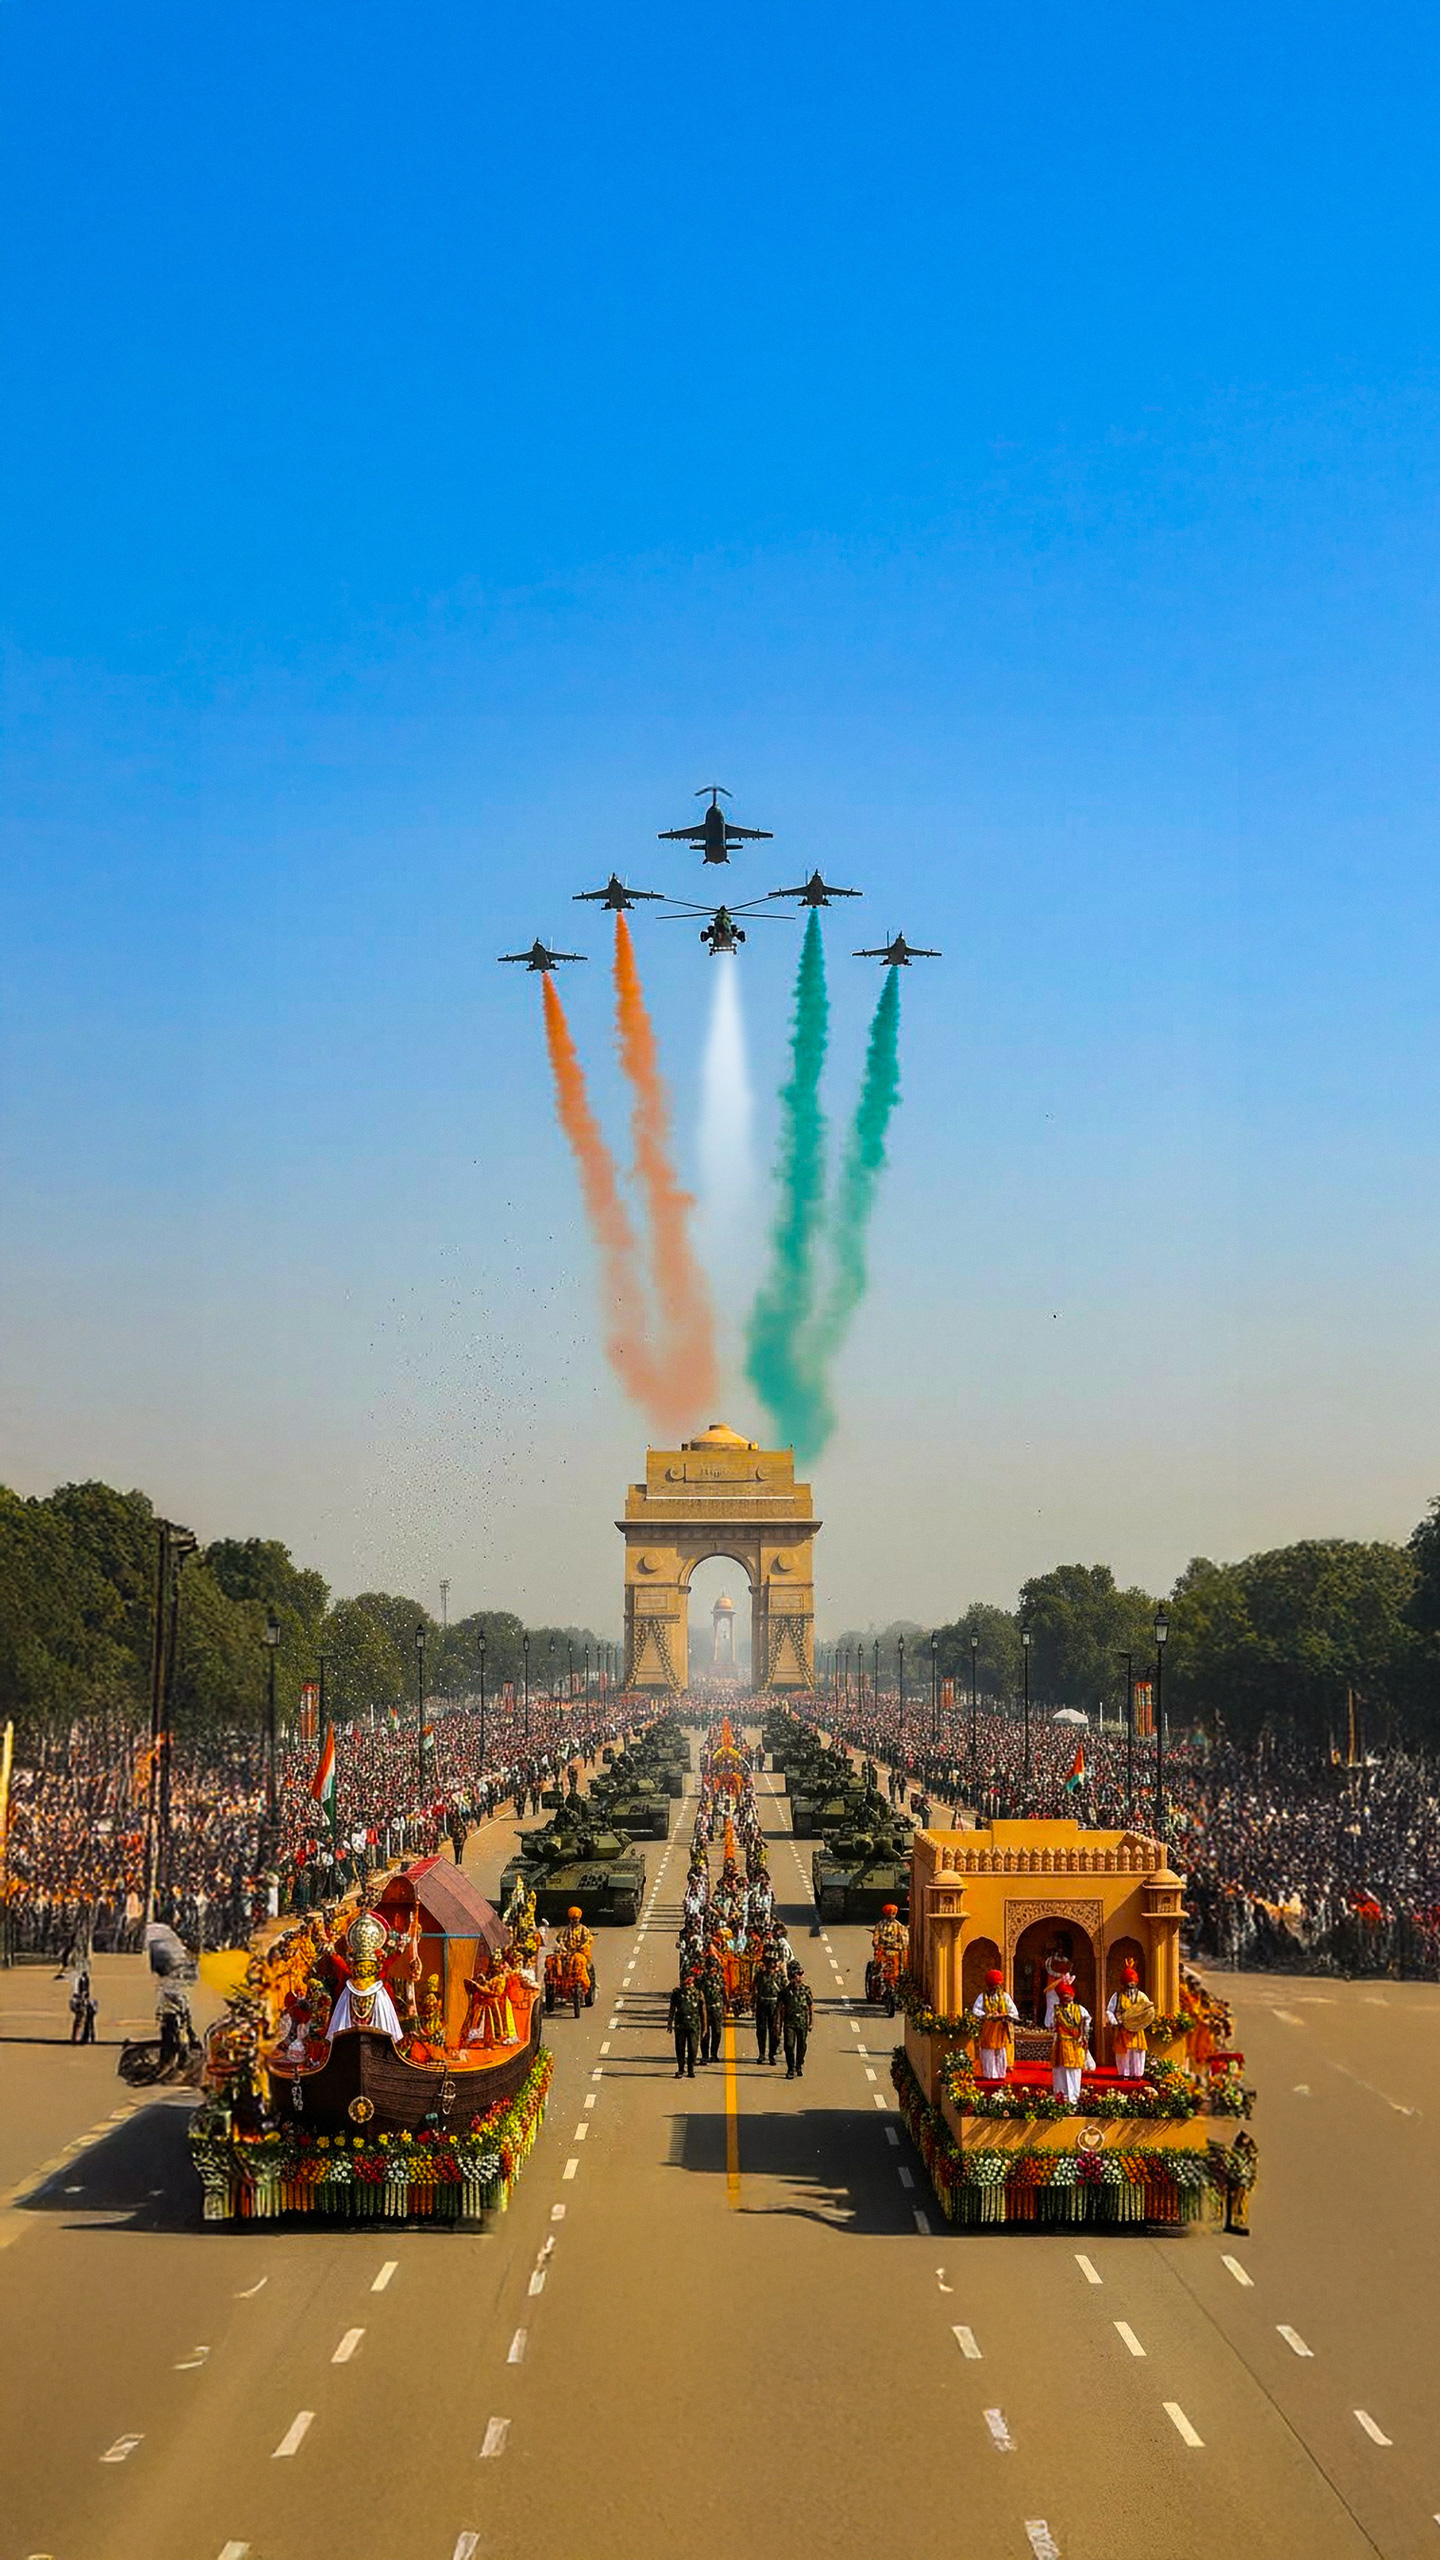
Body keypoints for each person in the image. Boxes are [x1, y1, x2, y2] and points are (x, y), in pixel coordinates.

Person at [1049, 1972, 1093, 2104]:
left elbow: (1087, 2024)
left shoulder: (1080, 2010)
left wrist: (1083, 2037)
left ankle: (1073, 2098)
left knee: (1073, 2072)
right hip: (1062, 2046)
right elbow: (1051, 2025)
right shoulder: (1056, 2011)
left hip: (1075, 2045)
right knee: (1061, 2072)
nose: (1067, 2000)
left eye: (1068, 1997)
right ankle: (1062, 2097)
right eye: (1064, 1997)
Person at [1106, 1962, 1155, 2080]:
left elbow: (1149, 2010)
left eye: (1133, 1985)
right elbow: (1109, 2011)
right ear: (1123, 1984)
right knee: (1123, 2053)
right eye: (1128, 1985)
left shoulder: (1142, 1996)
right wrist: (1115, 2022)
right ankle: (1124, 2074)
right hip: (1122, 2028)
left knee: (1137, 2052)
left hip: (1137, 2030)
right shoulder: (1117, 1996)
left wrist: (1142, 2022)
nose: (1131, 1988)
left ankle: (1137, 2074)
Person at [970, 1967, 1018, 2082]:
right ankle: (989, 2074)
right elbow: (975, 2011)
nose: (994, 1988)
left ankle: (1000, 2074)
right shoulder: (983, 1997)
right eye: (992, 1986)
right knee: (988, 2052)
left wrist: (1005, 2015)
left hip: (1000, 2029)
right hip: (988, 2029)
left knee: (1000, 2051)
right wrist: (988, 2015)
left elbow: (1014, 2012)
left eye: (996, 1986)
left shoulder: (1005, 1996)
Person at [780, 1961, 813, 2079]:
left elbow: (810, 2006)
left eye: (800, 1975)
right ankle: (791, 2068)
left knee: (802, 2045)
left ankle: (799, 2064)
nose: (798, 1978)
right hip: (789, 2021)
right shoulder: (785, 1992)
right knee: (789, 2045)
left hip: (802, 2021)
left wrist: (810, 2022)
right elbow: (780, 2009)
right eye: (795, 1976)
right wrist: (778, 2024)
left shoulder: (806, 1990)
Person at [669, 1969, 703, 2078]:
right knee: (680, 2048)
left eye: (690, 1978)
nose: (688, 1980)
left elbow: (703, 2011)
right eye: (686, 1978)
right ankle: (680, 2069)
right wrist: (669, 2023)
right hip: (680, 2023)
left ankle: (691, 2069)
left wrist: (705, 2027)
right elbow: (672, 2009)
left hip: (694, 2024)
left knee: (693, 2048)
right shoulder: (677, 1993)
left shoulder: (698, 1993)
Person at [753, 1945, 784, 2064]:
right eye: (769, 1962)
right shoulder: (760, 1975)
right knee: (761, 2030)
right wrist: (754, 2002)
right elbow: (755, 1988)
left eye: (773, 1962)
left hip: (775, 2004)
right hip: (762, 2003)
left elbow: (784, 1990)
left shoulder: (779, 1976)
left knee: (774, 2030)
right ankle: (761, 2054)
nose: (771, 1965)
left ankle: (772, 2054)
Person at [699, 1946, 725, 2064]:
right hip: (705, 2009)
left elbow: (724, 1991)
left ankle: (714, 2054)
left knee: (717, 2032)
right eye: (710, 1968)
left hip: (717, 2008)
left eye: (714, 1968)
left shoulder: (719, 1978)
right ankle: (705, 2056)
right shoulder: (701, 1979)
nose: (712, 1970)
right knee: (705, 2032)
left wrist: (727, 2005)